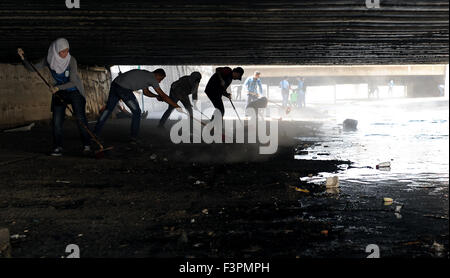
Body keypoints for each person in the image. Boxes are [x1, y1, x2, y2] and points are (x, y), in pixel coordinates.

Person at [17, 38, 90, 157]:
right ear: (56, 51)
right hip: (60, 91)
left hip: (74, 90)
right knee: (56, 121)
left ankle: (87, 145)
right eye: (62, 51)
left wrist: (57, 88)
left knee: (80, 119)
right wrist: (23, 58)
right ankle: (58, 147)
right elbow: (32, 68)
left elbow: (73, 82)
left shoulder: (71, 60)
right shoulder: (49, 59)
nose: (65, 54)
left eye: (67, 51)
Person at [94, 68, 181, 144]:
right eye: (160, 79)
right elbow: (164, 96)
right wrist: (177, 106)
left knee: (108, 110)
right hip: (124, 89)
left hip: (115, 84)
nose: (159, 81)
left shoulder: (145, 75)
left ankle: (95, 134)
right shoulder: (152, 79)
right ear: (157, 75)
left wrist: (156, 96)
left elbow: (146, 93)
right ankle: (133, 137)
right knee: (137, 112)